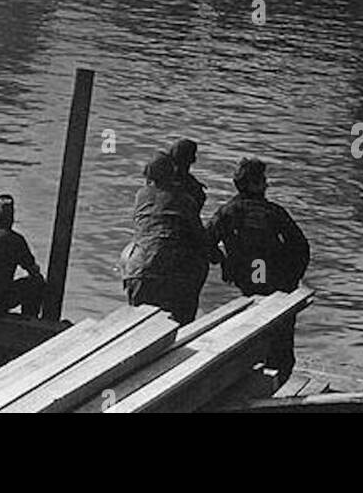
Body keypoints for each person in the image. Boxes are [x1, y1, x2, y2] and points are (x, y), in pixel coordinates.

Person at [207, 158, 310, 379]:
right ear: (253, 184)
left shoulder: (228, 212)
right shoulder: (273, 212)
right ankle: (276, 374)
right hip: (274, 277)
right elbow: (300, 246)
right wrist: (293, 277)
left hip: (251, 276)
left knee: (255, 325)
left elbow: (206, 241)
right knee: (280, 341)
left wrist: (224, 261)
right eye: (263, 180)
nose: (267, 185)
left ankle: (256, 369)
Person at [121, 152, 211, 324]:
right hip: (175, 274)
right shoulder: (185, 199)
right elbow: (201, 239)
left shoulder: (141, 196)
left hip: (138, 271)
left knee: (139, 327)